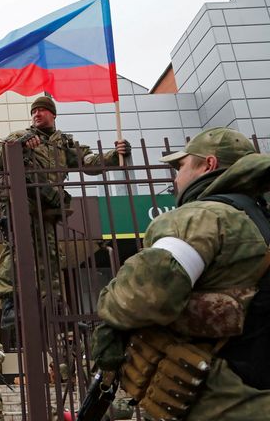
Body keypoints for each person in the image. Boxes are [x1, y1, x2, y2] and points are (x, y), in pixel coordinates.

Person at [93, 127, 270, 420]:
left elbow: (147, 294)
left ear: (208, 165)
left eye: (181, 165)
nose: (176, 176)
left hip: (223, 401)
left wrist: (108, 310)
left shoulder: (202, 216)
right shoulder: (260, 217)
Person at [0, 96, 131, 329]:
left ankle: (53, 307)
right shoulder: (20, 136)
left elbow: (89, 162)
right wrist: (21, 145)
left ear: (53, 115)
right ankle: (10, 303)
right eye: (34, 111)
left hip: (47, 205)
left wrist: (115, 155)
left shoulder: (64, 144)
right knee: (17, 248)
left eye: (42, 110)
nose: (37, 114)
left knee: (50, 254)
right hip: (20, 201)